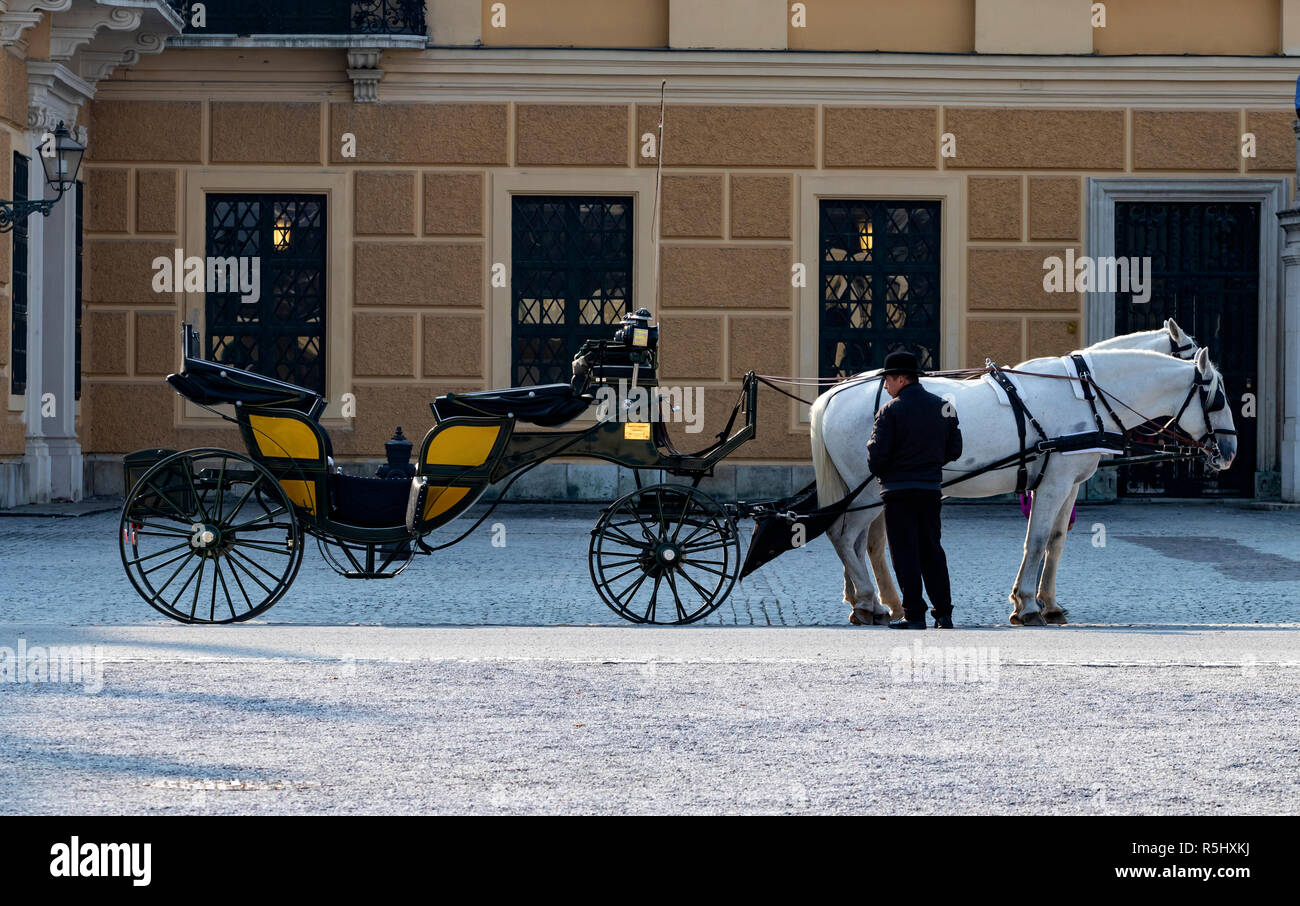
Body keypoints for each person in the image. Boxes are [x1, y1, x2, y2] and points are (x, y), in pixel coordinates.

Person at [865, 351, 963, 630]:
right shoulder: (944, 406)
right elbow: (955, 450)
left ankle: (914, 615)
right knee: (932, 550)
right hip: (930, 490)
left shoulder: (889, 411)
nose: (885, 386)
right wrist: (929, 462)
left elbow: (876, 460)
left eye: (887, 379)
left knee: (905, 553)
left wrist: (876, 453)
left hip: (897, 493)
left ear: (900, 378)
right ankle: (944, 614)